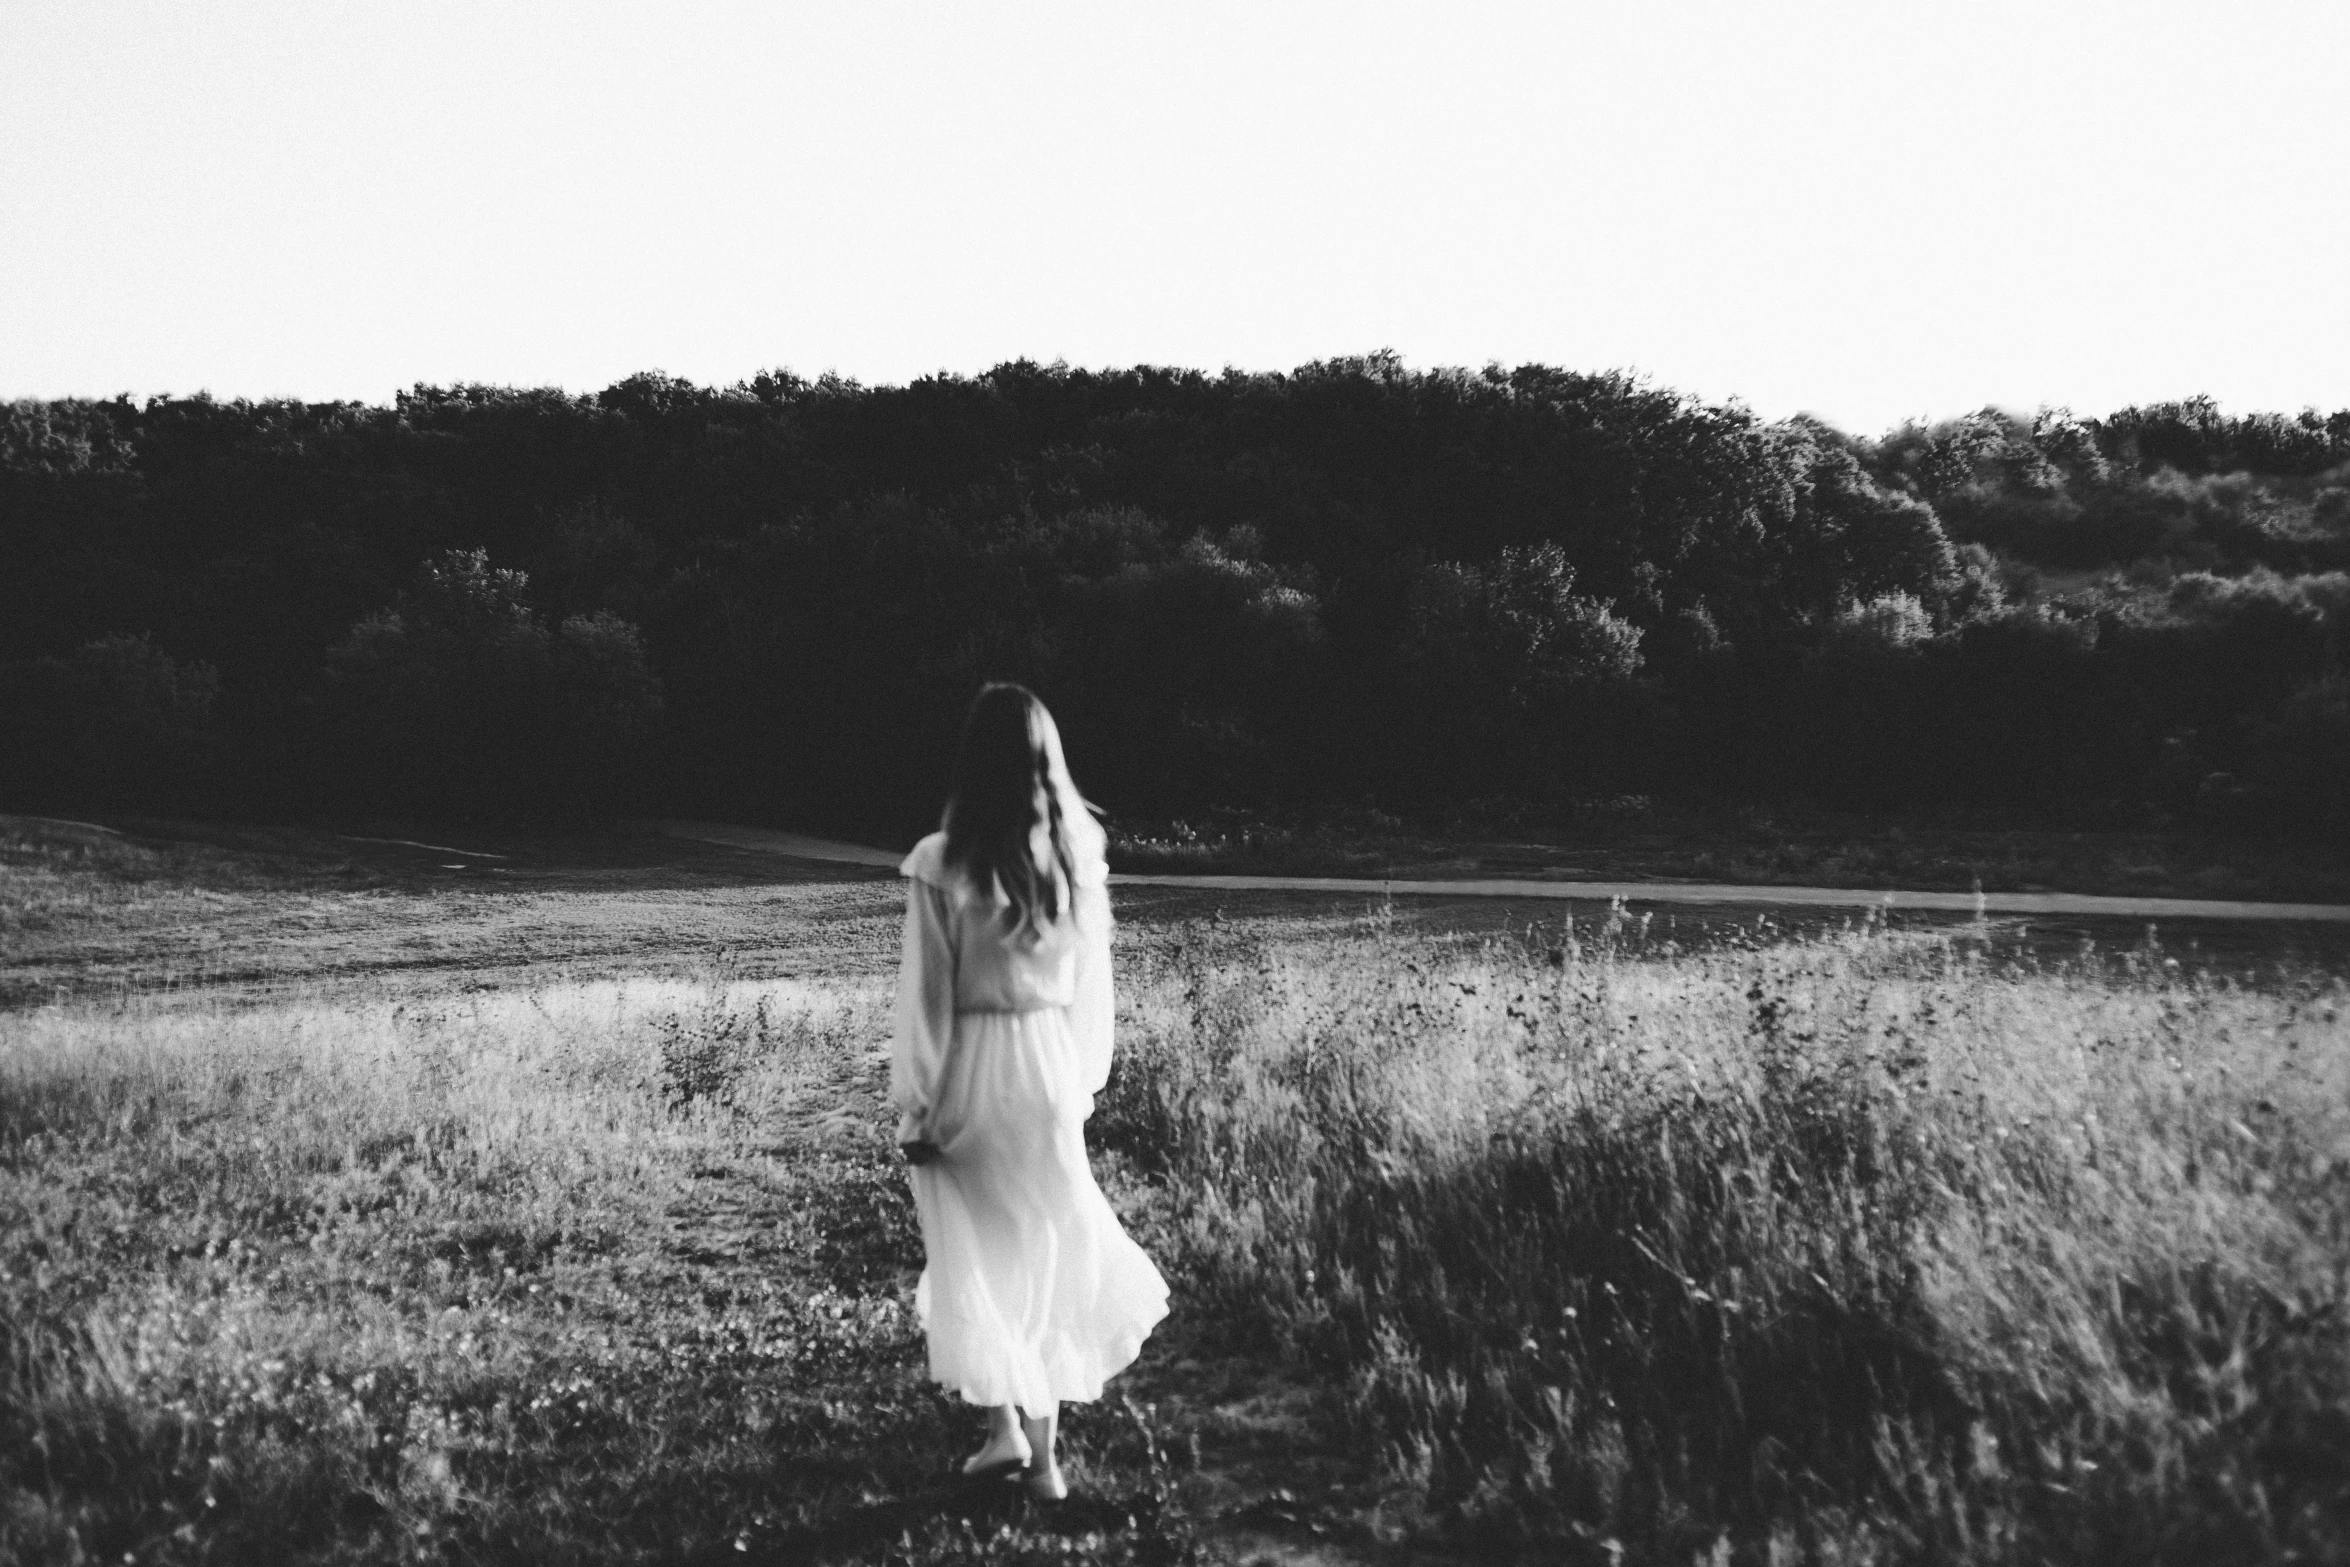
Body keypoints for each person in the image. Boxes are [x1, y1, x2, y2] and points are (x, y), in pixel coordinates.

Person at [891, 683, 1169, 1500]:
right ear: (1049, 761)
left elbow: (928, 999)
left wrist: (922, 1105)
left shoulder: (942, 861)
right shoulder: (1075, 860)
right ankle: (1033, 1453)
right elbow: (1093, 989)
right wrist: (1078, 1081)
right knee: (1042, 1249)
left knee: (973, 1250)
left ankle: (1006, 1429)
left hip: (972, 1068)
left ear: (971, 763)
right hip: (1045, 1067)